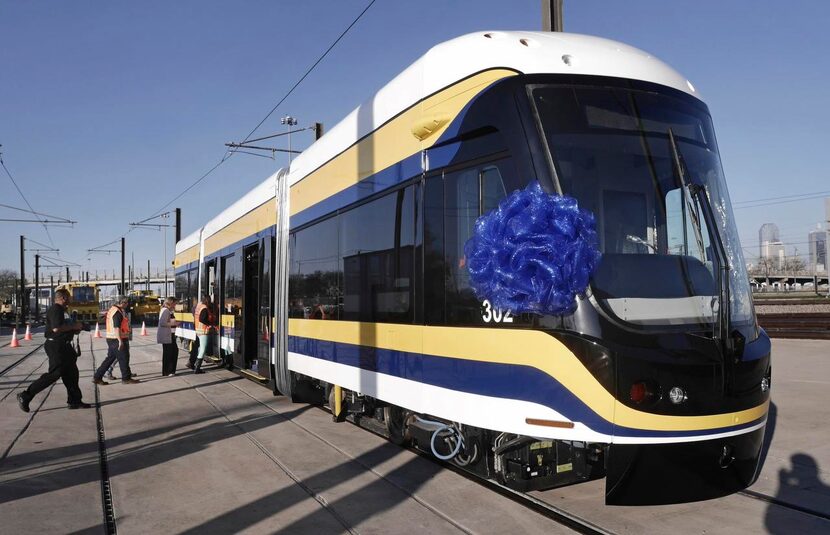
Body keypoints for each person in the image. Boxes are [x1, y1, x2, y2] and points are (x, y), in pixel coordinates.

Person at [17, 288, 91, 412]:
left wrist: (77, 328)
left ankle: (75, 401)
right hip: (56, 346)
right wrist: (75, 326)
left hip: (66, 346)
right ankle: (25, 395)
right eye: (69, 297)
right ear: (63, 298)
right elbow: (56, 328)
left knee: (72, 374)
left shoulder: (64, 310)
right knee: (54, 374)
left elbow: (65, 326)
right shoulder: (56, 309)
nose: (70, 299)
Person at [93, 296, 140, 385]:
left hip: (112, 338)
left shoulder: (113, 310)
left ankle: (97, 377)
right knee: (124, 358)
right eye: (126, 303)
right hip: (116, 339)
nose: (127, 305)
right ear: (122, 303)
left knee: (110, 359)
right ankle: (126, 378)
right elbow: (116, 328)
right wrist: (120, 341)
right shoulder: (117, 312)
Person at [192, 295, 217, 374]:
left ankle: (196, 364)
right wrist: (210, 324)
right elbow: (202, 319)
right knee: (203, 348)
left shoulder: (199, 306)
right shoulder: (204, 308)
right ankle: (197, 368)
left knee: (200, 348)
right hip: (203, 331)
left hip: (198, 330)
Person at [158, 297, 179, 376]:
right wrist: (175, 323)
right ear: (171, 303)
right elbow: (163, 323)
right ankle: (168, 371)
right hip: (168, 335)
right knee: (170, 353)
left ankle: (168, 371)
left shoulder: (167, 310)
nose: (175, 305)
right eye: (174, 303)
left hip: (169, 334)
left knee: (171, 352)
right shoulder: (166, 311)